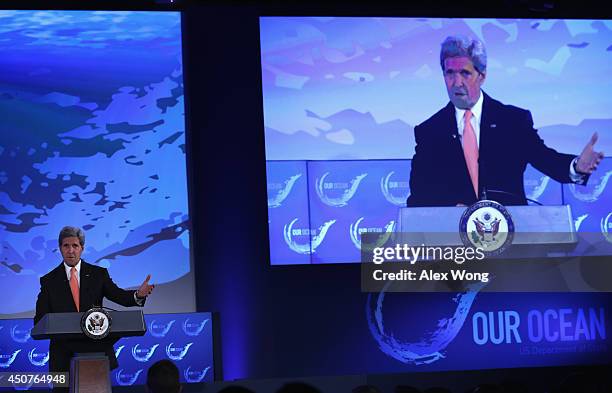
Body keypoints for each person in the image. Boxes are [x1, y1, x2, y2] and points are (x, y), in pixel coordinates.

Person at [406, 35, 604, 207]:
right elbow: (419, 195)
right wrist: (450, 208)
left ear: (482, 76)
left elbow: (545, 159)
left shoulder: (513, 121)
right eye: (450, 73)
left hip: (510, 237)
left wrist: (577, 166)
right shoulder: (430, 131)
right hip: (456, 242)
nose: (457, 82)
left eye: (465, 73)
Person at [34, 226, 155, 373]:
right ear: (60, 248)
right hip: (62, 357)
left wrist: (138, 295)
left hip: (96, 352)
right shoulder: (49, 281)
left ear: (82, 248)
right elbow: (40, 320)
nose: (70, 250)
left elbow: (119, 296)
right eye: (66, 246)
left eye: (75, 246)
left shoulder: (98, 274)